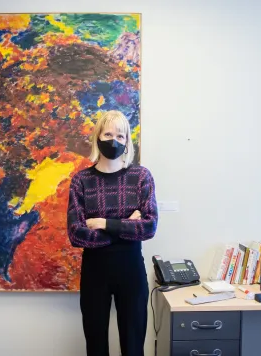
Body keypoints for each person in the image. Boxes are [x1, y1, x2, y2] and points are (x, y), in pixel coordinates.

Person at [67, 110, 158, 356]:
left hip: (131, 270)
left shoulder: (140, 177)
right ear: (97, 136)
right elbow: (76, 235)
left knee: (133, 345)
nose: (114, 140)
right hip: (95, 271)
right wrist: (128, 224)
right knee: (95, 344)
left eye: (120, 135)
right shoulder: (81, 180)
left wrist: (105, 223)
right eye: (108, 133)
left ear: (127, 141)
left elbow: (149, 227)